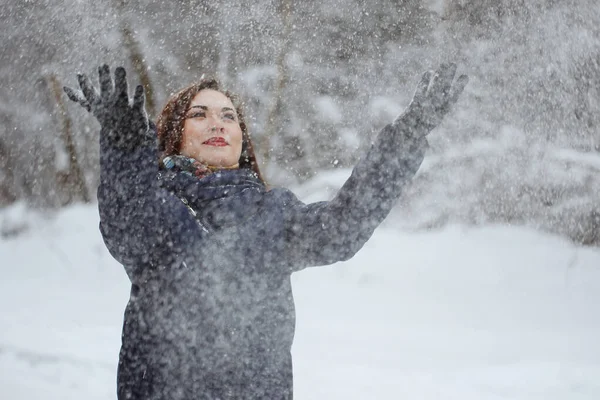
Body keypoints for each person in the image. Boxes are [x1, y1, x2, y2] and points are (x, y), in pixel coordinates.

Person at [64, 63, 467, 399]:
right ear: (175, 136)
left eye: (228, 116)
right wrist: (126, 146)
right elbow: (123, 222)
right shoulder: (156, 209)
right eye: (199, 114)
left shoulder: (272, 214)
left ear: (241, 139)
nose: (217, 124)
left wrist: (408, 136)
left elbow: (344, 227)